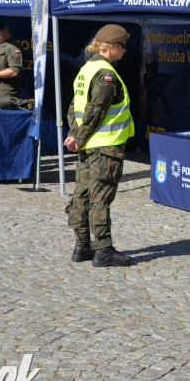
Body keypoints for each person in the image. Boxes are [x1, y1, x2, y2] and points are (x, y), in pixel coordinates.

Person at [64, 25, 135, 267]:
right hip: (105, 147)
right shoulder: (106, 74)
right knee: (99, 198)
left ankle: (82, 246)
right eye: (123, 45)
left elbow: (74, 107)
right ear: (112, 46)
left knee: (81, 196)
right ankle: (103, 250)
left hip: (89, 147)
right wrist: (79, 137)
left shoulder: (87, 69)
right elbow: (95, 111)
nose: (125, 50)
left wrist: (76, 134)